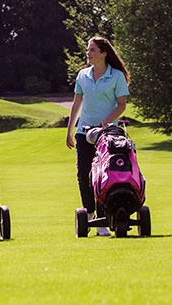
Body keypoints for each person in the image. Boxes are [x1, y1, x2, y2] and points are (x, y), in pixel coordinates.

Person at [66, 36, 130, 236]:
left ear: (103, 53)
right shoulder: (82, 75)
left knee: (104, 176)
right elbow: (76, 104)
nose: (88, 53)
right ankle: (90, 214)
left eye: (92, 50)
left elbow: (121, 104)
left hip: (106, 135)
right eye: (88, 49)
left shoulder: (116, 76)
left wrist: (106, 122)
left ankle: (103, 220)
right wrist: (70, 130)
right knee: (83, 176)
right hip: (84, 133)